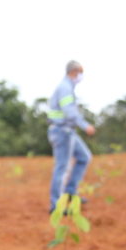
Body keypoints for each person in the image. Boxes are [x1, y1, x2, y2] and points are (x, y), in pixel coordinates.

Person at [47, 60, 96, 213]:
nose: (80, 76)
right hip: (62, 131)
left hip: (68, 131)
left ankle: (70, 192)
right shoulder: (65, 88)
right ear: (74, 72)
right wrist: (85, 125)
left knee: (84, 157)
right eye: (79, 73)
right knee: (62, 167)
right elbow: (69, 112)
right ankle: (56, 206)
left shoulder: (68, 87)